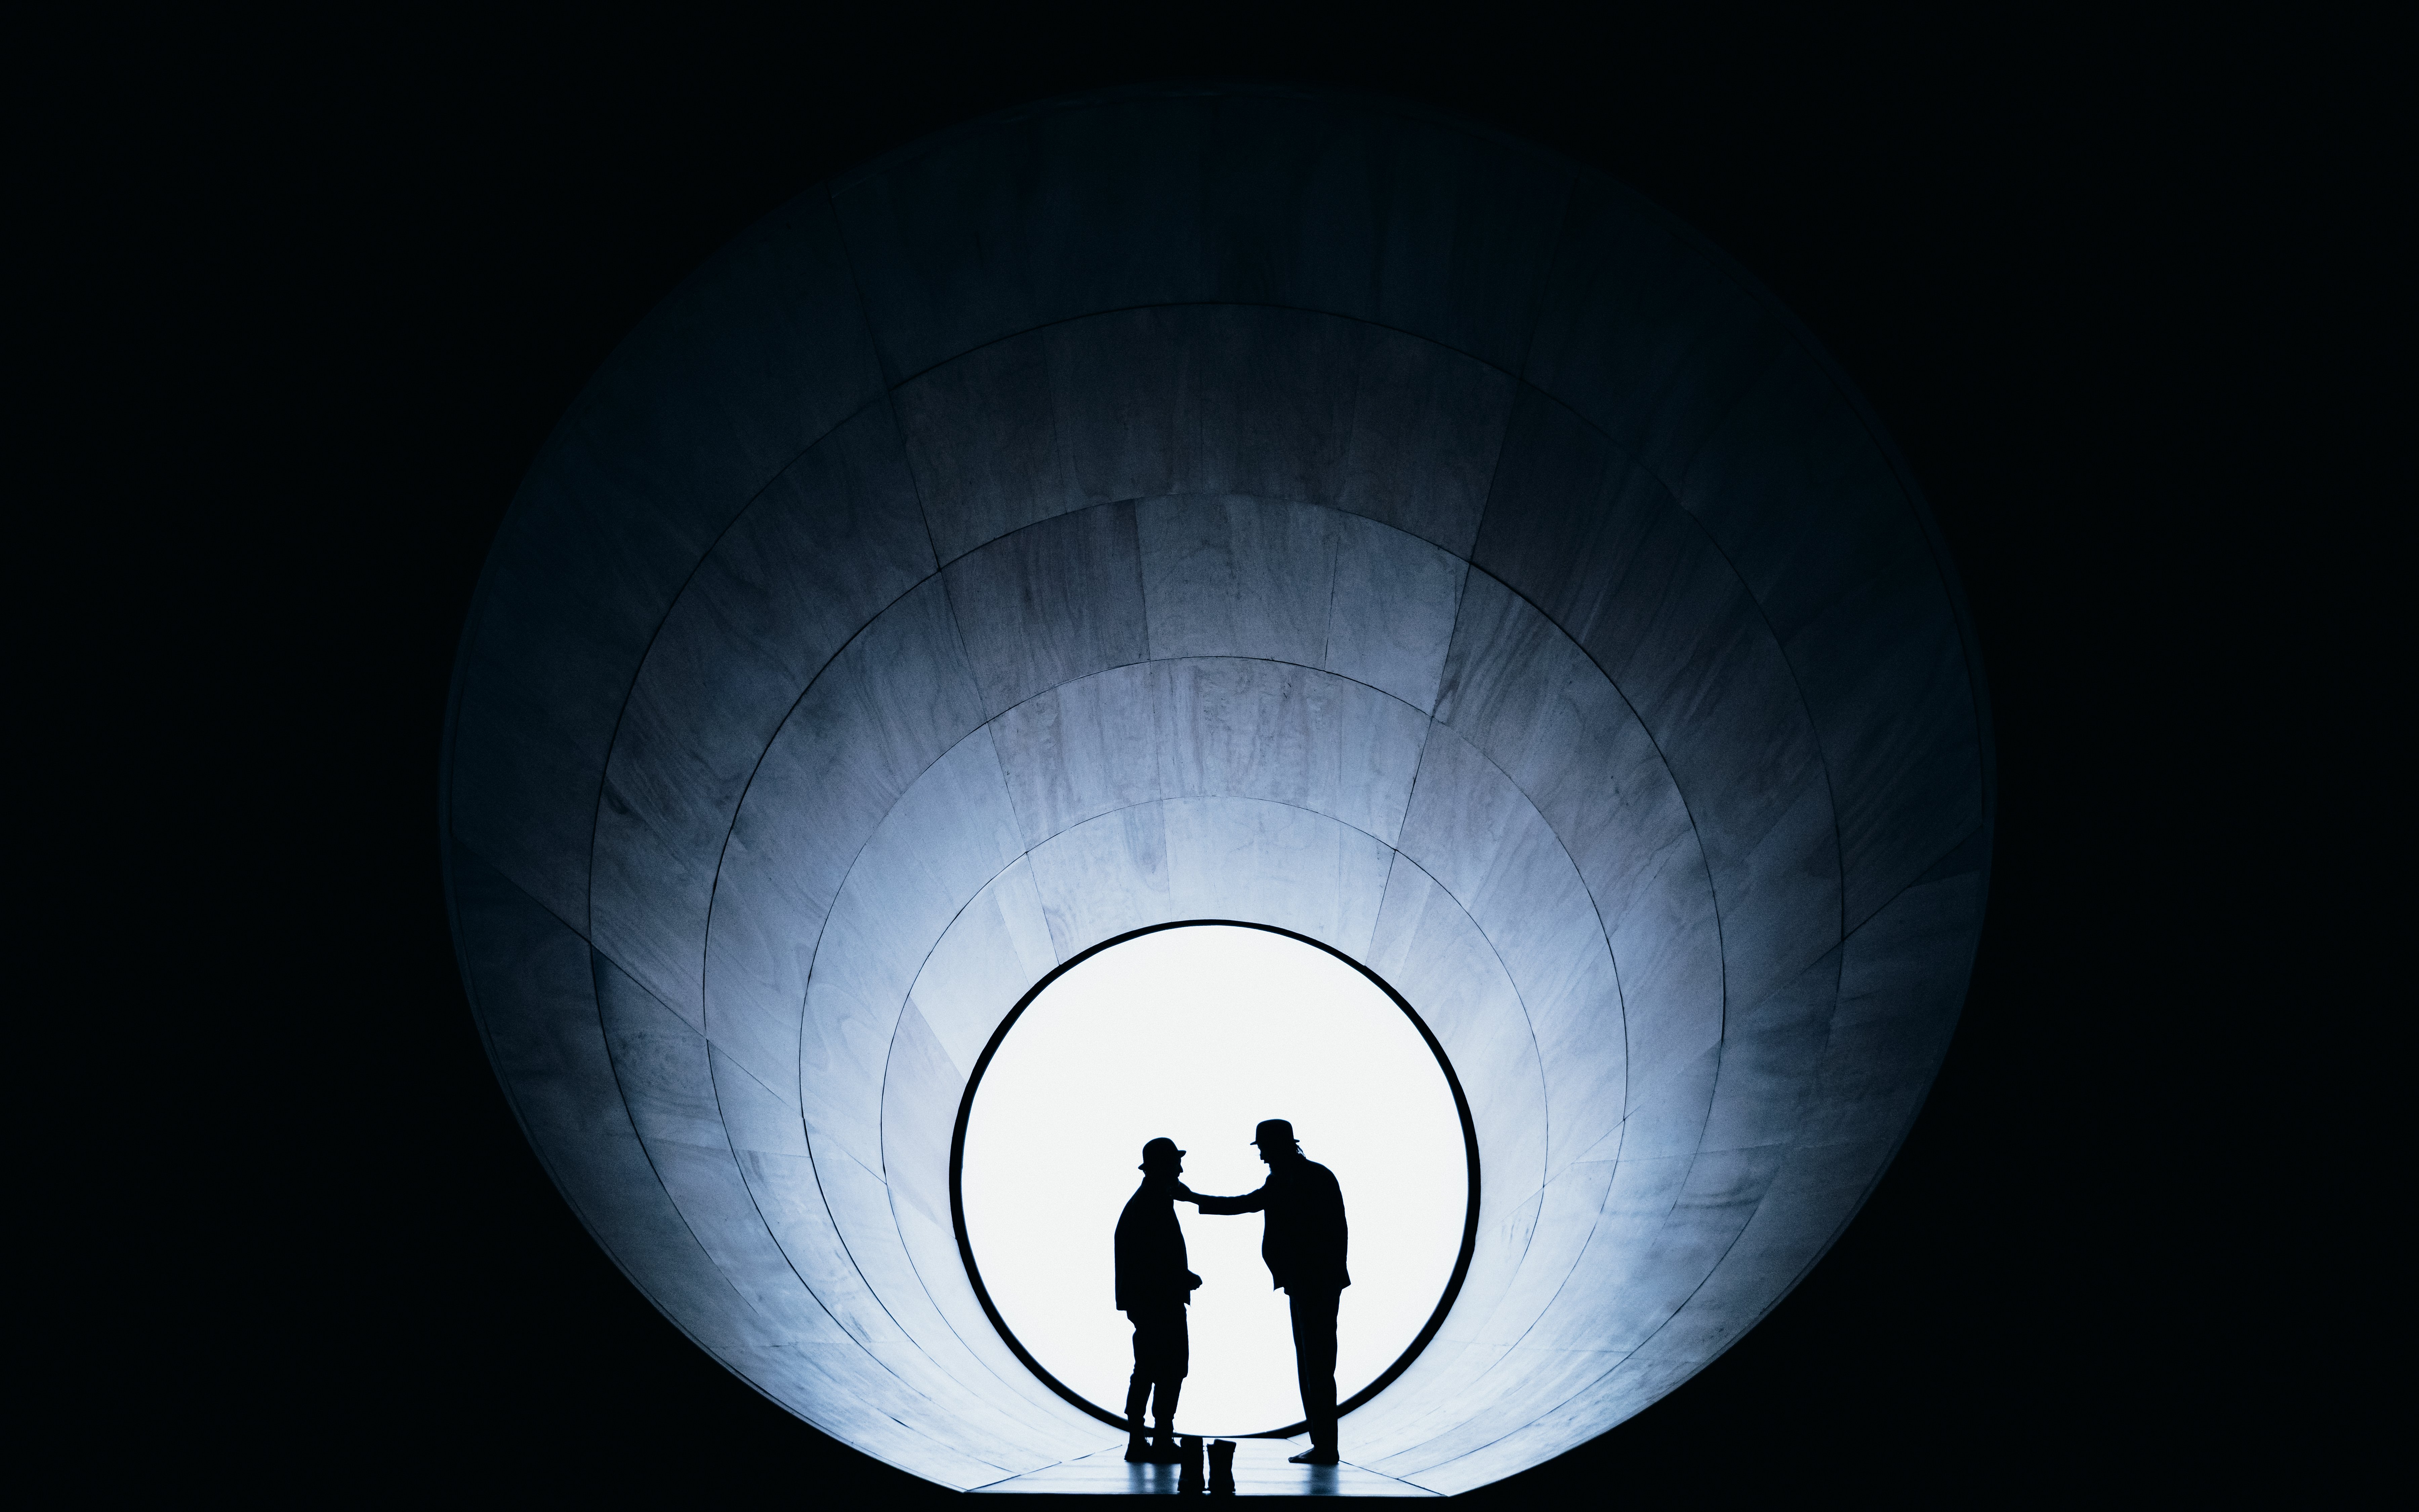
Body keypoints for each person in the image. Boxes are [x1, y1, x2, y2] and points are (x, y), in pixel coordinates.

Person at [1178, 1118, 1349, 1465]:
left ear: (1279, 1147)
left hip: (1308, 1284)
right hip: (1313, 1283)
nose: (1262, 1158)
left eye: (1264, 1149)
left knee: (1314, 1366)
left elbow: (1247, 1203)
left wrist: (1192, 1197)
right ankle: (1324, 1444)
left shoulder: (1290, 1179)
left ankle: (1325, 1446)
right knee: (1316, 1365)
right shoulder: (1313, 1175)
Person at [1116, 1137, 1202, 1464]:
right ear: (1165, 1166)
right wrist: (1183, 1277)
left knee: (1150, 1369)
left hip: (1149, 1302)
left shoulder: (1147, 1201)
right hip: (1159, 1303)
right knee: (1167, 1369)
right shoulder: (1154, 1203)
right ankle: (1157, 1437)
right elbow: (1154, 1260)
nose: (1180, 1168)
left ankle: (1141, 1438)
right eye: (1176, 1162)